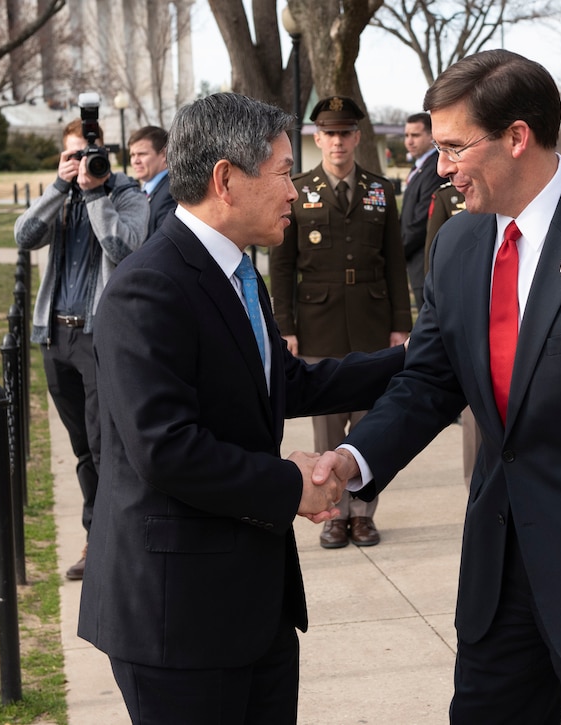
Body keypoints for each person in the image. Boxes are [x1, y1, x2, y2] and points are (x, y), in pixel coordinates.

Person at [310, 49, 561, 724]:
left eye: (453, 147)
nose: (442, 168)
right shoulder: (459, 246)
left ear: (516, 136)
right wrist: (356, 462)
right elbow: (429, 382)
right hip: (498, 587)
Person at [76, 91, 406, 725]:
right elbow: (167, 450)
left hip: (253, 609)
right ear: (226, 180)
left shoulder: (237, 272)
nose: (293, 190)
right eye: (284, 172)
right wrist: (293, 486)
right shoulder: (148, 288)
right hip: (180, 620)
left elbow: (287, 384)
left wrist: (418, 359)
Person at [270, 95, 411, 550]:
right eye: (329, 133)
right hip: (319, 321)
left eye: (345, 133)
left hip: (371, 319)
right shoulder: (298, 188)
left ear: (357, 137)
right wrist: (285, 326)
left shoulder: (380, 189)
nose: (337, 141)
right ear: (317, 137)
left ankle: (364, 513)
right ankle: (332, 513)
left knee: (371, 423)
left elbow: (395, 262)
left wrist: (400, 324)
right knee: (328, 427)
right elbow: (282, 265)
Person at [14, 118, 149, 581]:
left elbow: (125, 246)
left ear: (105, 154)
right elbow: (24, 236)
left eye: (87, 155)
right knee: (81, 447)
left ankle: (106, 540)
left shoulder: (126, 195)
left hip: (99, 336)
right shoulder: (61, 197)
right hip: (57, 336)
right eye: (71, 155)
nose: (81, 164)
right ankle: (102, 533)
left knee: (103, 442)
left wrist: (94, 195)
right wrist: (59, 186)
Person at [423, 181, 479, 488]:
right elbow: (437, 269)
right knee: (474, 419)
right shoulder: (447, 198)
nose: (444, 166)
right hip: (468, 322)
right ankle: (476, 489)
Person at [401, 112, 448, 310]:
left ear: (431, 136)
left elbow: (421, 221)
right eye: (406, 136)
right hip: (416, 262)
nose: (409, 141)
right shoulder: (418, 168)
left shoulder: (435, 168)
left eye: (415, 135)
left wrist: (397, 252)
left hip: (424, 260)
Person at [128, 125, 176, 236]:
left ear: (164, 154)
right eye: (132, 155)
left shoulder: (171, 193)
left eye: (142, 154)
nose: (135, 161)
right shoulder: (143, 191)